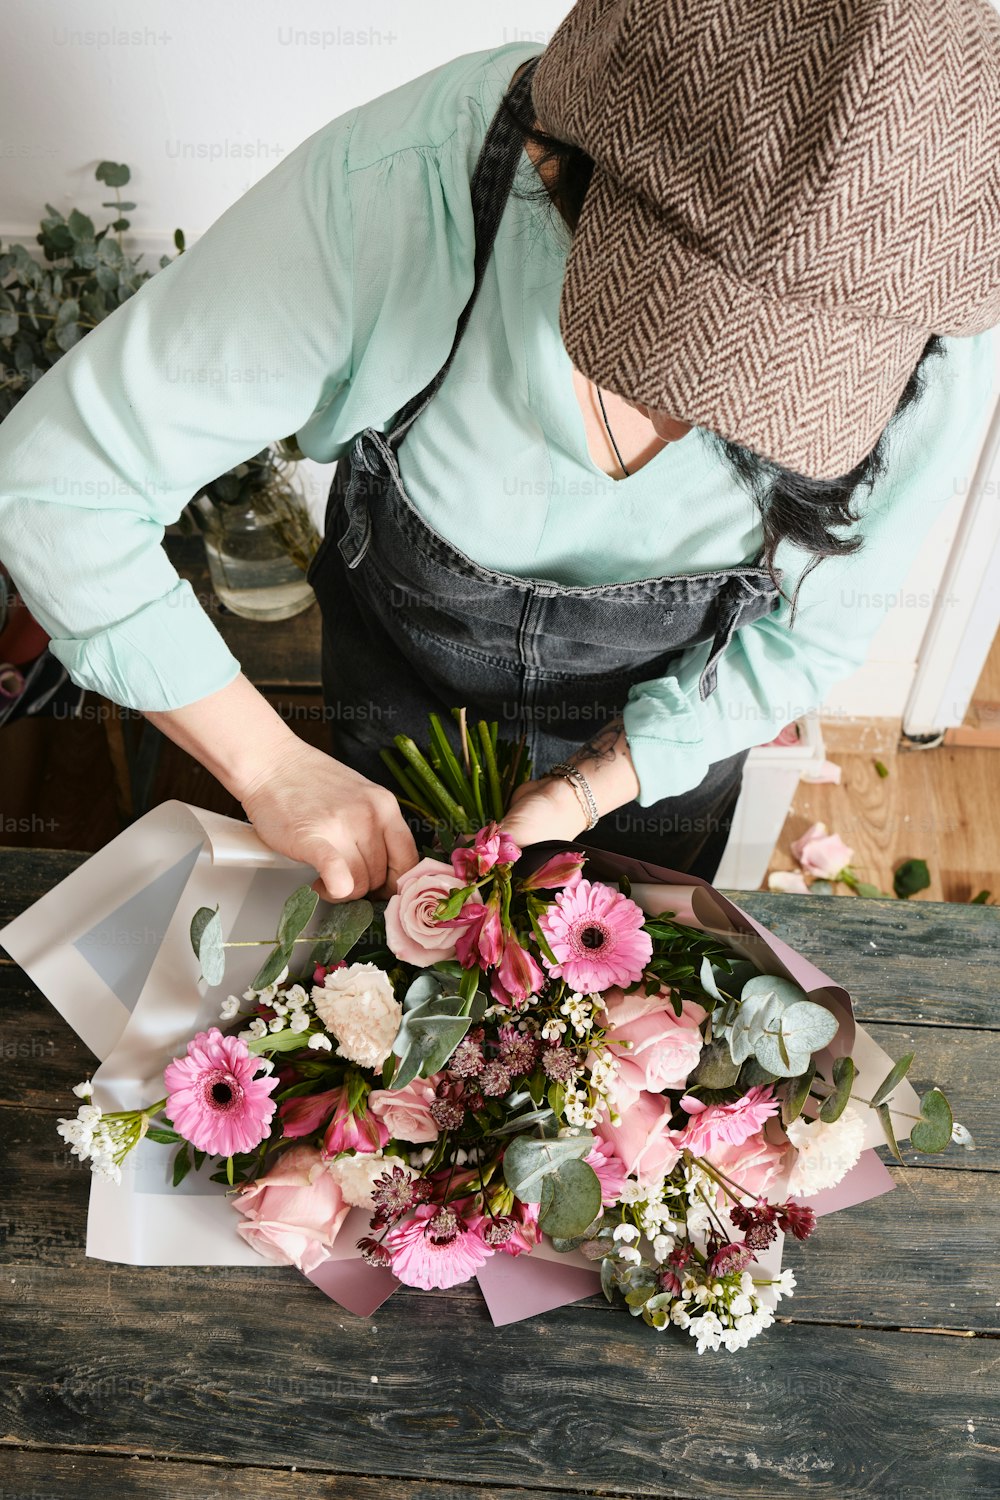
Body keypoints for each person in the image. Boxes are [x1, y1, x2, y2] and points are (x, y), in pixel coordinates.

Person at [0, 0, 998, 903]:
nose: (705, 416)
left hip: (661, 774)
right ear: (564, 159)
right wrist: (272, 769)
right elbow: (58, 489)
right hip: (390, 704)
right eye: (675, 327)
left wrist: (591, 786)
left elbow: (809, 640)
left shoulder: (934, 324)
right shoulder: (407, 186)